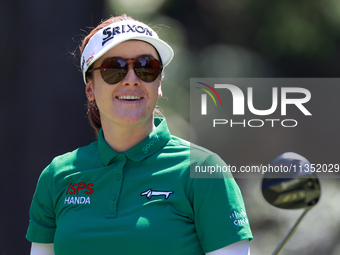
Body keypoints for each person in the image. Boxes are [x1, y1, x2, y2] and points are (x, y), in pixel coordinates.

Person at [26, 14, 253, 255]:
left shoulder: (204, 170)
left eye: (147, 67)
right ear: (90, 87)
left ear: (159, 84)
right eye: (114, 68)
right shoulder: (57, 176)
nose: (132, 79)